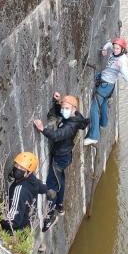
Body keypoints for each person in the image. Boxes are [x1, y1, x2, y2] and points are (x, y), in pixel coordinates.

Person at [33, 93, 89, 231]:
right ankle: (59, 205)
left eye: (66, 108)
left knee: (51, 186)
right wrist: (59, 102)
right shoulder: (76, 117)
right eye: (63, 108)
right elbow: (63, 113)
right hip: (64, 155)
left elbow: (57, 135)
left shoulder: (70, 126)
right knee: (60, 179)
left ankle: (50, 216)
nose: (64, 110)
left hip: (60, 157)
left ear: (74, 109)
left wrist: (42, 129)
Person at [84, 38, 128, 146]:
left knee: (94, 108)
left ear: (122, 50)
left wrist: (121, 67)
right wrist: (105, 49)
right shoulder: (114, 51)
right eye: (114, 48)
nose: (115, 50)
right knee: (103, 102)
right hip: (105, 81)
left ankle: (94, 137)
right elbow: (109, 44)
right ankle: (103, 123)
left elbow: (127, 78)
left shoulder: (122, 60)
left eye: (117, 48)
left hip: (106, 85)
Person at [1, 152, 48, 234]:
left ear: (29, 172)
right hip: (26, 227)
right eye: (17, 165)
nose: (17, 169)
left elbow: (14, 221)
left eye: (22, 168)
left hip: (14, 232)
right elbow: (44, 188)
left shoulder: (19, 190)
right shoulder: (34, 181)